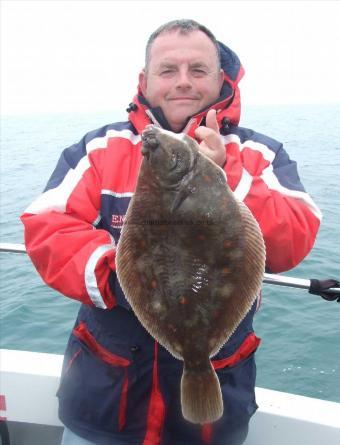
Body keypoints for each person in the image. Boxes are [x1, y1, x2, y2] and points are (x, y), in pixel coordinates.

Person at [21, 19, 321, 445]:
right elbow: (46, 227)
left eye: (198, 70)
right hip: (106, 397)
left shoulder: (258, 154)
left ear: (221, 78)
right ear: (145, 80)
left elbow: (295, 237)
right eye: (168, 70)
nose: (183, 82)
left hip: (214, 409)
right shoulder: (98, 148)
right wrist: (121, 279)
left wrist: (224, 174)